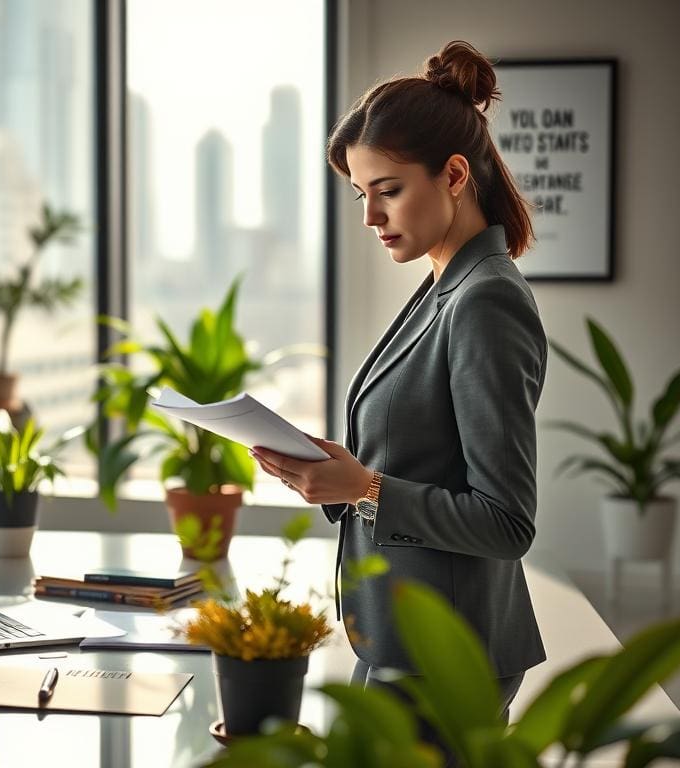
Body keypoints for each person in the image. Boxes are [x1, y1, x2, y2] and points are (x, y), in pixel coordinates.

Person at [250, 40, 546, 763]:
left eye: (387, 190)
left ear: (453, 175)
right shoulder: (445, 285)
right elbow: (422, 454)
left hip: (446, 655)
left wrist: (370, 487)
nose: (371, 216)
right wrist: (335, 476)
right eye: (361, 195)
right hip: (403, 639)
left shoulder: (484, 302)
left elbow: (507, 521)